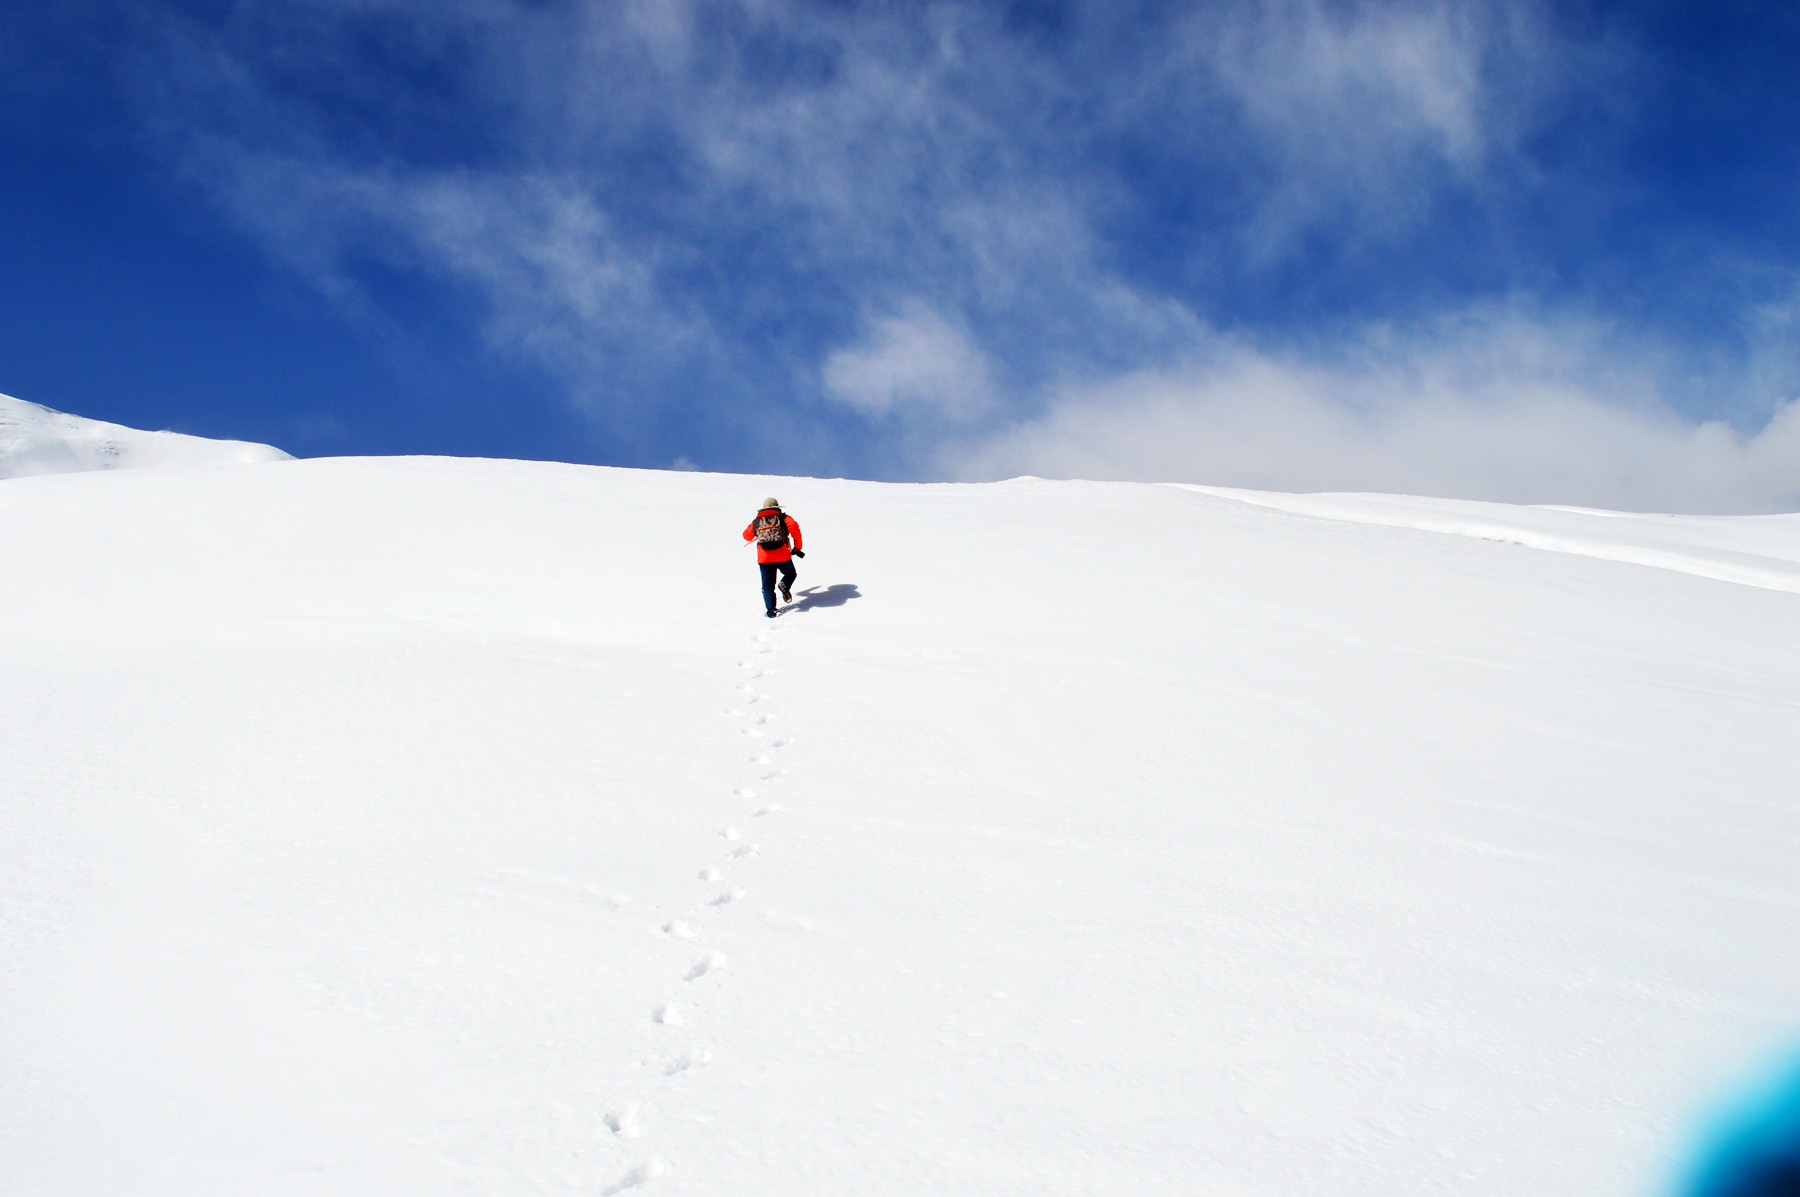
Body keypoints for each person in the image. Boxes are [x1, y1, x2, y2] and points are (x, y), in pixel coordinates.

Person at [743, 498, 804, 617]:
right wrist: (797, 547)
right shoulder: (784, 518)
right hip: (782, 555)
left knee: (767, 586)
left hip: (764, 558)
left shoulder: (757, 521)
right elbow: (795, 529)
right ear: (777, 507)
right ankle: (785, 584)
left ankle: (771, 611)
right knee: (790, 573)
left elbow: (746, 536)